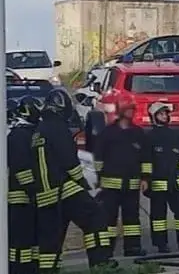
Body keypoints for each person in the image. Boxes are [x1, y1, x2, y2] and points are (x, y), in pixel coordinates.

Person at [35, 91, 111, 273]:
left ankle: (47, 271)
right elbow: (69, 161)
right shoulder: (57, 127)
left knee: (52, 240)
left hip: (44, 196)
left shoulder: (39, 130)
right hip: (63, 188)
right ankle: (100, 265)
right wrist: (84, 185)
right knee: (96, 217)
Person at [93, 97, 149, 257]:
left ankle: (133, 248)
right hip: (110, 186)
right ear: (121, 111)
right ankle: (106, 250)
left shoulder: (138, 133)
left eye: (133, 109)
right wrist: (98, 179)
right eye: (129, 109)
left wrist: (145, 178)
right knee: (109, 219)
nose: (132, 112)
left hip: (131, 185)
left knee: (132, 219)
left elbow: (145, 158)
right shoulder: (107, 133)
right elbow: (98, 158)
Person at [144, 102, 179, 253]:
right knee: (159, 217)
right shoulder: (150, 137)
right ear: (153, 117)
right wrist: (146, 181)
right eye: (161, 114)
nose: (165, 116)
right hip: (158, 186)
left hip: (175, 185)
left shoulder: (174, 136)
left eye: (166, 114)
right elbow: (146, 162)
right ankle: (161, 245)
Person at [8, 98, 40, 274]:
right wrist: (32, 189)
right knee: (20, 240)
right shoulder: (19, 135)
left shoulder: (27, 133)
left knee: (30, 239)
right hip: (19, 198)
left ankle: (29, 268)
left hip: (27, 198)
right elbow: (21, 168)